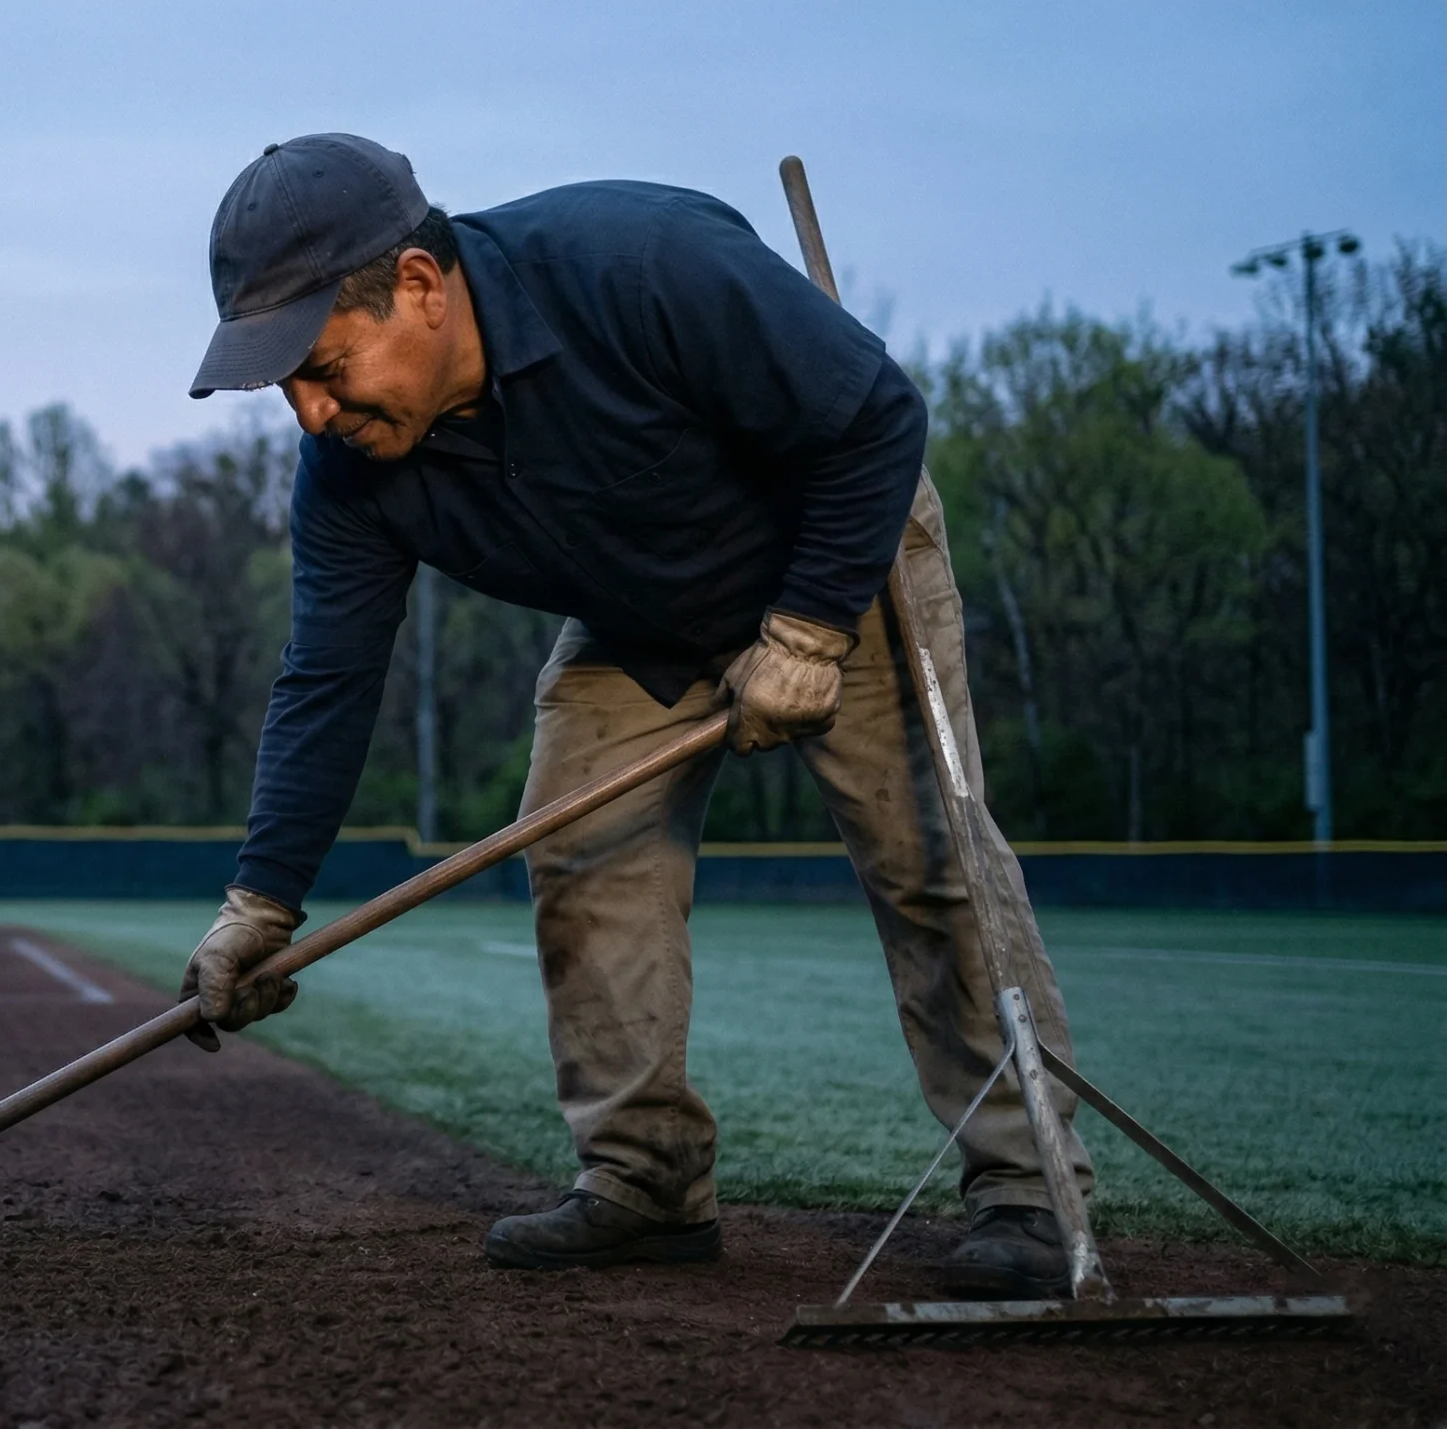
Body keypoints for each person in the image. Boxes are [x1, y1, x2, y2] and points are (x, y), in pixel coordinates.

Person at [180, 133, 1091, 1299]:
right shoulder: (351, 471)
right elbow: (327, 675)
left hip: (832, 557)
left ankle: (1025, 1191)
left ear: (415, 285)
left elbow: (873, 419)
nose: (309, 415)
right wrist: (261, 902)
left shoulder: (642, 262)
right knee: (578, 843)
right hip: (638, 612)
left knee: (930, 863)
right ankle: (643, 1181)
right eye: (285, 391)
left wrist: (807, 630)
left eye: (322, 365)